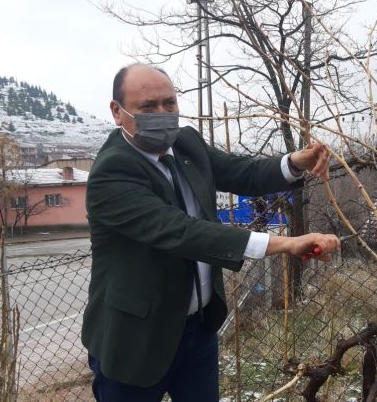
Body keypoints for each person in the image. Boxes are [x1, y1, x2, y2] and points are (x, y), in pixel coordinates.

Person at [81, 63, 340, 402]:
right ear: (117, 111)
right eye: (148, 107)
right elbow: (183, 232)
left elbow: (241, 173)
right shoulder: (111, 173)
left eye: (169, 103)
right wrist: (285, 243)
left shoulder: (187, 144)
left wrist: (293, 163)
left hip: (198, 331)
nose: (163, 114)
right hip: (135, 340)